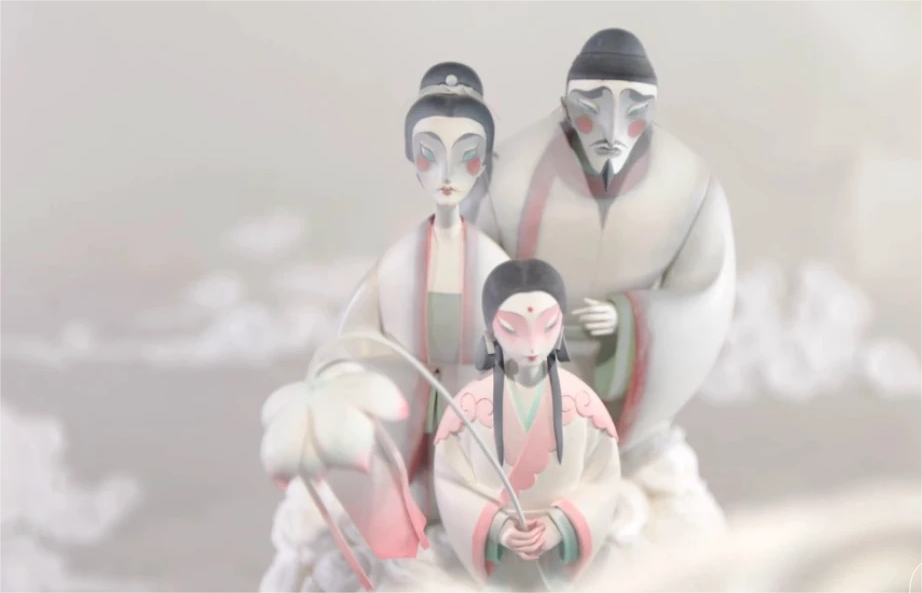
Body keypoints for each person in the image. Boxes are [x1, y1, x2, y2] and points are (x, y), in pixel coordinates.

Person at [461, 28, 736, 539]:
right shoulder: (509, 172)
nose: (611, 130)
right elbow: (472, 260)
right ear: (567, 104)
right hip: (527, 371)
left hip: (625, 388)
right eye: (592, 109)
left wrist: (633, 320)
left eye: (633, 110)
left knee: (660, 514)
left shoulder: (690, 185)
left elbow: (706, 292)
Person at [259, 62, 509, 591]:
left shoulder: (490, 260)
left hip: (476, 415)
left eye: (466, 156)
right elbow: (353, 338)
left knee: (473, 497)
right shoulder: (400, 261)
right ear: (411, 158)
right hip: (412, 412)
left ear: (484, 160)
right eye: (429, 154)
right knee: (409, 498)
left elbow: (521, 334)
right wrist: (339, 377)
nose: (447, 174)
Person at [434, 259, 621, 591]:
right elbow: (451, 480)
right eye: (512, 329)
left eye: (547, 326)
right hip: (500, 557)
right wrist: (498, 528)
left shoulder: (583, 404)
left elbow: (603, 479)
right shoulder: (468, 409)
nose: (533, 345)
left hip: (557, 556)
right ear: (491, 331)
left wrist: (561, 525)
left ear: (561, 326)